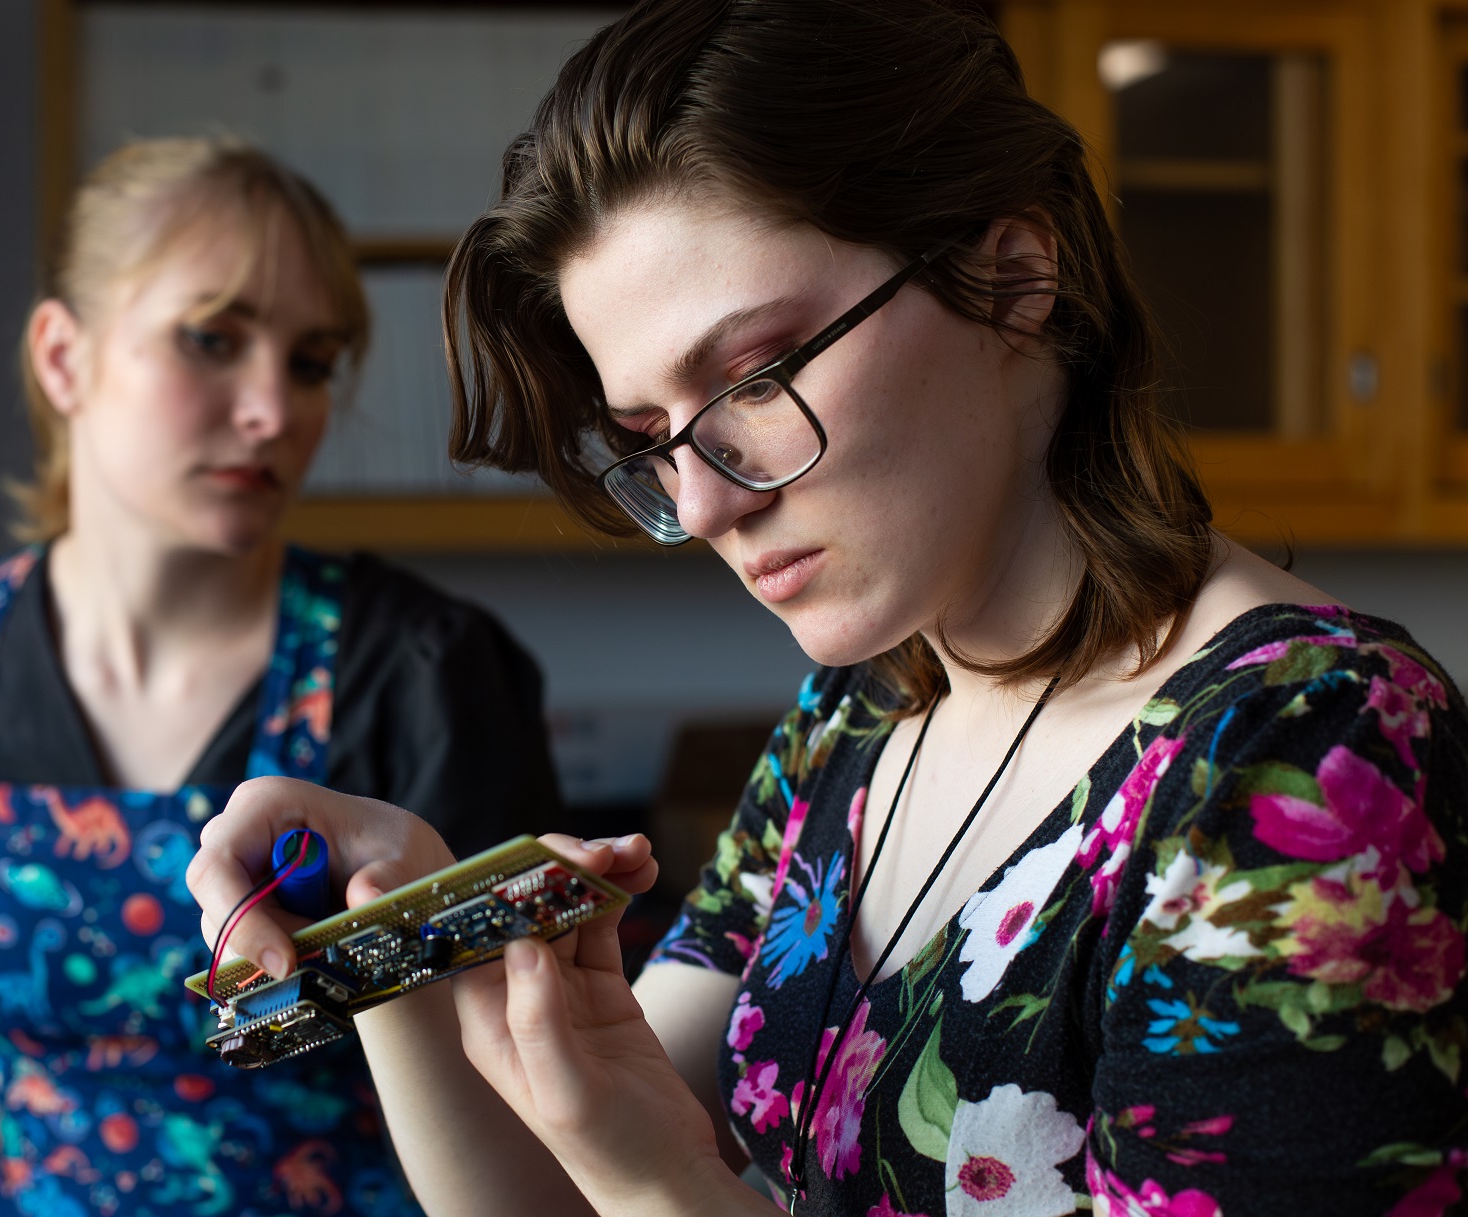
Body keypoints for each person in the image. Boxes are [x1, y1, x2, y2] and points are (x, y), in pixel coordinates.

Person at [185, 3, 1468, 1216]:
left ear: (1014, 275)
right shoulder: (859, 711)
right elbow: (570, 1182)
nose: (697, 506)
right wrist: (395, 935)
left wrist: (672, 1191)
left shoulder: (1307, 753)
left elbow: (653, 1186)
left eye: (752, 376)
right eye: (649, 435)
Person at [0, 137, 561, 1217]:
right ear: (63, 357)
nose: (273, 410)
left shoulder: (420, 670)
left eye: (312, 361)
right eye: (212, 339)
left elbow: (520, 1089)